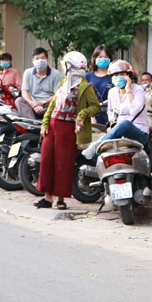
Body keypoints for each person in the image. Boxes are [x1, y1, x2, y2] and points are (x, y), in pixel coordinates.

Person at [35, 51, 101, 210]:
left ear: (71, 66)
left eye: (66, 65)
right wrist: (44, 123)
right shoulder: (64, 82)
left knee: (63, 163)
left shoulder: (85, 87)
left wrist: (83, 114)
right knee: (46, 160)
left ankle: (60, 199)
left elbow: (95, 106)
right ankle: (47, 197)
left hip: (69, 128)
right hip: (53, 125)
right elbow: (53, 104)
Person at [82, 60, 152, 171]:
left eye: (122, 74)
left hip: (138, 132)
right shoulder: (112, 92)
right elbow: (111, 112)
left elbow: (135, 110)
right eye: (115, 75)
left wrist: (129, 90)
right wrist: (111, 122)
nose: (118, 77)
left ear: (128, 76)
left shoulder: (137, 90)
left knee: (125, 124)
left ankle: (96, 145)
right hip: (119, 131)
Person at [15, 47, 62, 119]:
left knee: (58, 104)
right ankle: (32, 124)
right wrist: (33, 104)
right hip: (32, 103)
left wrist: (42, 102)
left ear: (47, 59)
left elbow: (57, 95)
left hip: (48, 104)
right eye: (37, 58)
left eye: (42, 58)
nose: (40, 61)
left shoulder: (56, 74)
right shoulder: (28, 72)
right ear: (32, 60)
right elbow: (24, 91)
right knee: (19, 101)